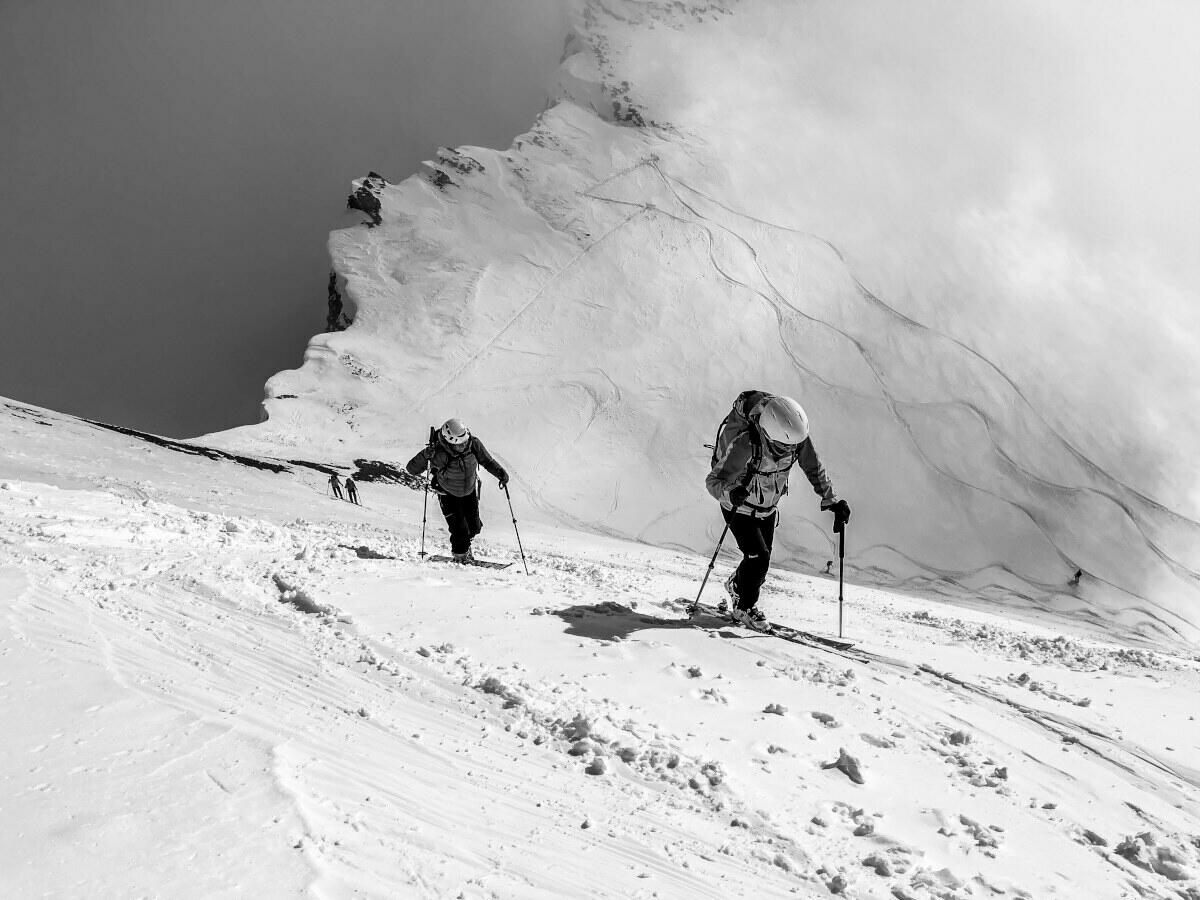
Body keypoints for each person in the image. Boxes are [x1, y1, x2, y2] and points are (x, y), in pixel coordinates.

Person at [705, 391, 850, 628]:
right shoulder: (746, 444)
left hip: (767, 510)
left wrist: (832, 501)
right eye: (783, 445)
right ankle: (745, 609)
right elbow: (714, 481)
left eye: (792, 445)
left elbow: (814, 469)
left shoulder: (795, 439)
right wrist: (731, 493)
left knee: (761, 562)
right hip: (738, 508)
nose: (789, 450)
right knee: (758, 559)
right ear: (768, 432)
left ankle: (737, 587)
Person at [406, 418, 509, 563]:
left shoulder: (473, 444)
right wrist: (424, 456)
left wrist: (500, 473)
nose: (464, 445)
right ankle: (460, 557)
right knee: (459, 529)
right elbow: (412, 469)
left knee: (474, 526)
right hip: (448, 494)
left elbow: (487, 461)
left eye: (465, 442)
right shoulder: (439, 453)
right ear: (449, 441)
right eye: (460, 444)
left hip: (469, 491)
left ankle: (466, 547)